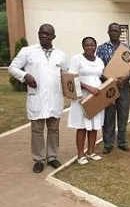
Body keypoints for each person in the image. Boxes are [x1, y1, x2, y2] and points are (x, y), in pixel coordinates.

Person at [8, 24, 68, 173]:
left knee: (54, 129)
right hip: (37, 98)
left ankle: (52, 157)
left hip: (54, 98)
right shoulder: (27, 52)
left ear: (53, 37)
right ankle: (39, 159)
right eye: (42, 33)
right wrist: (25, 76)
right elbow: (12, 68)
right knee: (37, 131)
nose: (44, 36)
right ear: (38, 34)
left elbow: (65, 74)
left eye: (48, 34)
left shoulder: (60, 54)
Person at [96, 22, 130, 154]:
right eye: (112, 31)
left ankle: (122, 141)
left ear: (120, 33)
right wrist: (110, 81)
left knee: (123, 114)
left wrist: (125, 79)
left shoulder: (128, 48)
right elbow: (98, 68)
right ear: (108, 32)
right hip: (108, 87)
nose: (114, 33)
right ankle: (108, 143)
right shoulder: (101, 48)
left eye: (117, 31)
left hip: (124, 86)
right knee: (109, 115)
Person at [67, 37, 105, 165]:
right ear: (83, 46)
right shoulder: (77, 59)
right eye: (87, 45)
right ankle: (80, 155)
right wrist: (88, 87)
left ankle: (91, 151)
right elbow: (72, 78)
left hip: (96, 97)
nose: (90, 47)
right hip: (82, 97)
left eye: (92, 45)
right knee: (82, 126)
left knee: (94, 126)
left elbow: (101, 77)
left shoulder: (99, 61)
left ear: (95, 46)